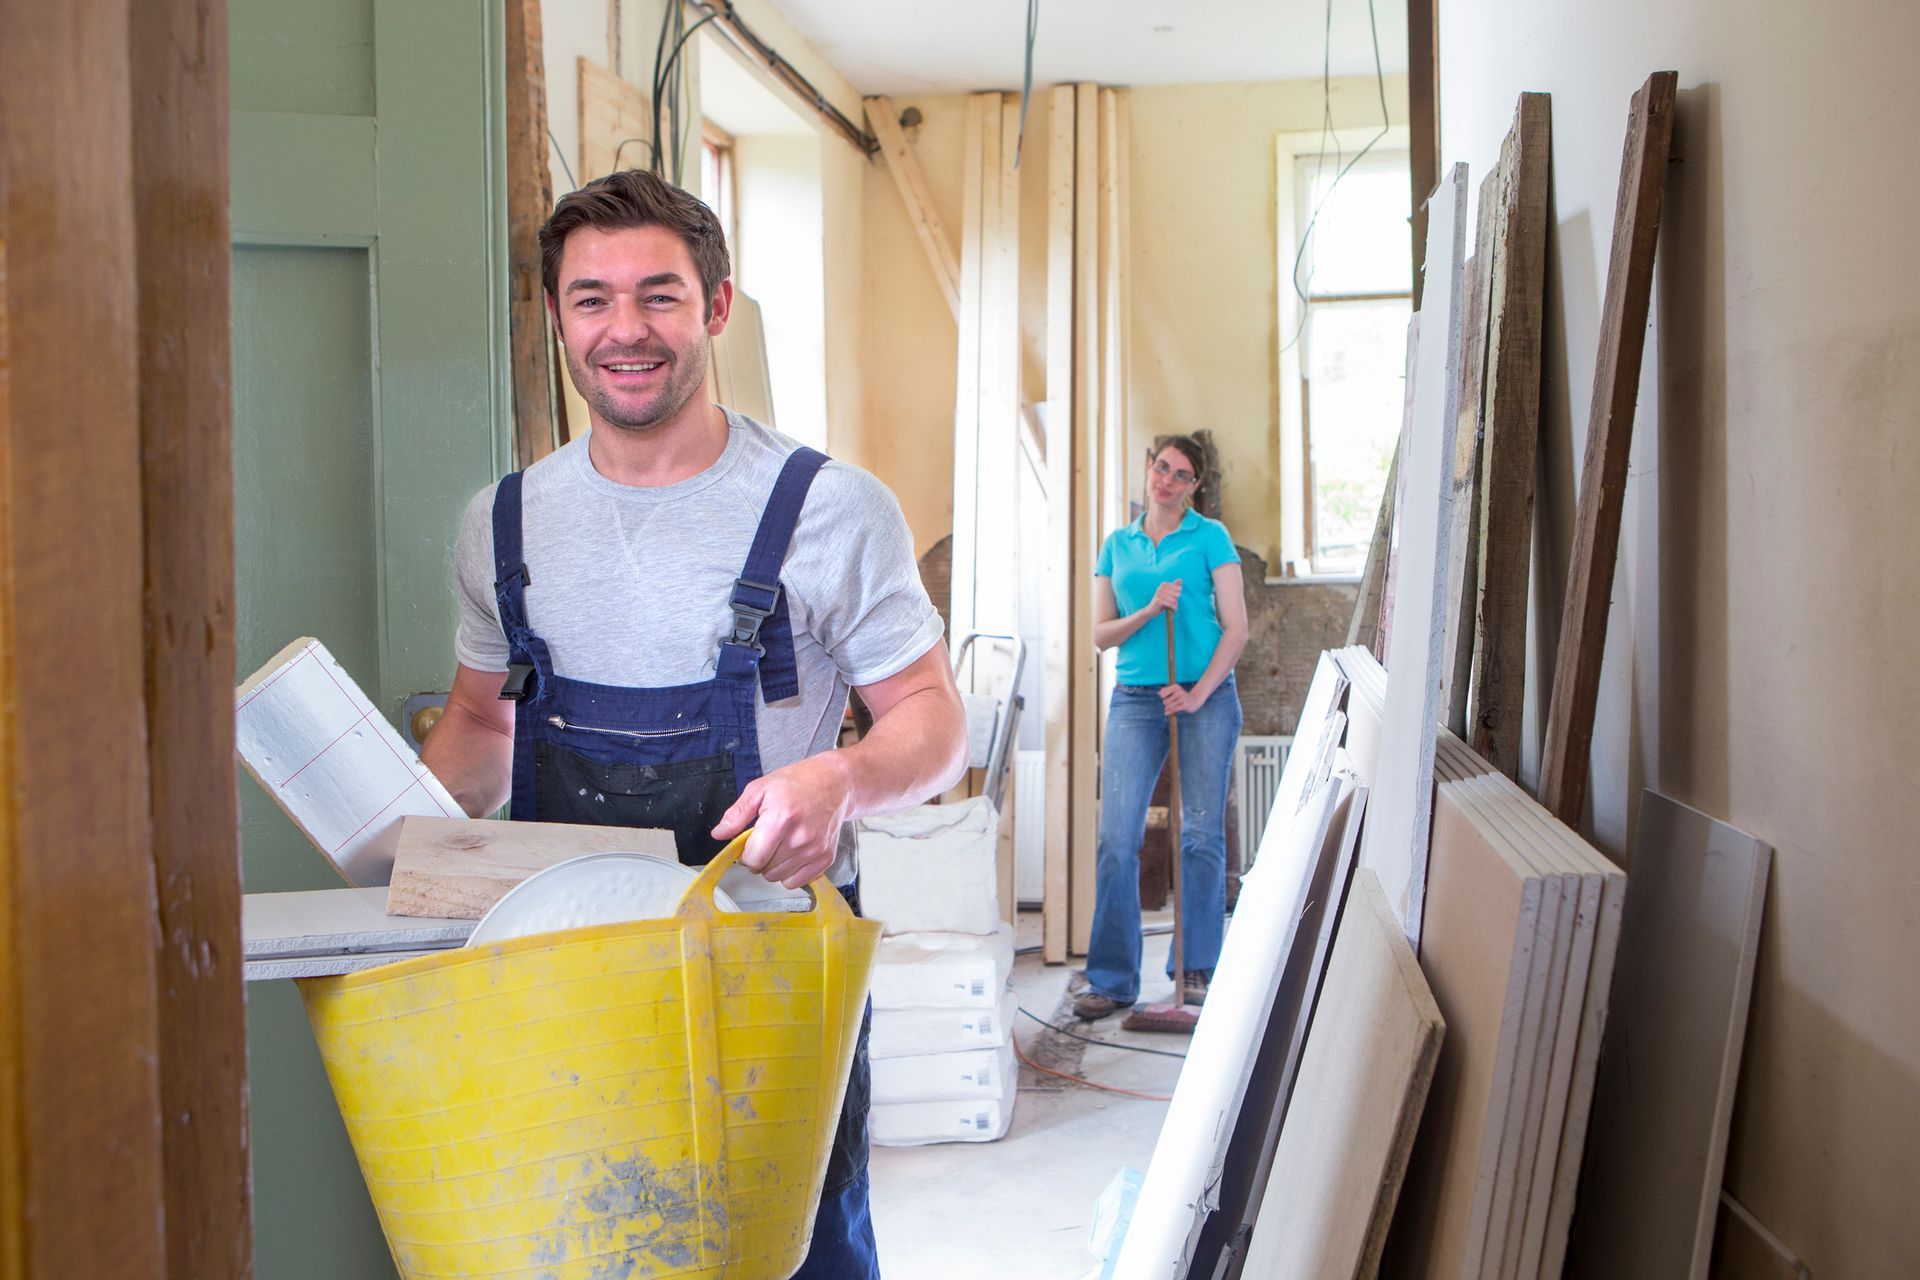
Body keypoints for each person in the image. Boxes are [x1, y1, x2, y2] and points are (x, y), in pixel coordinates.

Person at [420, 168, 968, 1277]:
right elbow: (484, 723)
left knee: (794, 1246)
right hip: (564, 968)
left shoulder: (828, 508)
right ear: (556, 317)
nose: (626, 330)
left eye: (659, 295)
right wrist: (408, 828)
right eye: (592, 298)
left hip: (770, 974)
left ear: (716, 307)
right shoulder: (504, 523)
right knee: (584, 1241)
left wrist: (842, 783)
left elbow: (933, 718)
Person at [1074, 435, 1248, 1022]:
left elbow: (1237, 629)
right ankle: (1112, 979)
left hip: (1204, 697)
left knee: (1199, 836)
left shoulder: (1210, 539)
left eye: (1180, 474)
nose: (1166, 480)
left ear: (1194, 485)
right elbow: (1100, 635)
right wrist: (1148, 611)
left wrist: (1197, 694)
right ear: (1149, 470)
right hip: (1134, 699)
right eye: (1161, 468)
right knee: (1116, 839)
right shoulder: (1117, 544)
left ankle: (1195, 968)